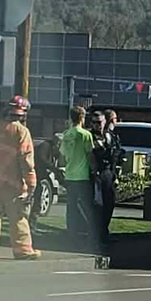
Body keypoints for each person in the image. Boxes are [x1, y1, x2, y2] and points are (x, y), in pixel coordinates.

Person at [0, 95, 40, 260]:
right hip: (12, 183)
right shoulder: (21, 132)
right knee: (18, 217)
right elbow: (26, 161)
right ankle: (23, 250)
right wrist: (31, 184)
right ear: (23, 114)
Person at [60, 105, 97, 251]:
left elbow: (63, 155)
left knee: (71, 208)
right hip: (82, 175)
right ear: (82, 118)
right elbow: (90, 155)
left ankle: (72, 236)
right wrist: (95, 170)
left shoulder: (66, 134)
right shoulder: (85, 135)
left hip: (70, 175)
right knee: (87, 207)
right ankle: (91, 236)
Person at [90, 109, 123, 247]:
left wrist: (116, 171)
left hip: (109, 173)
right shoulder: (90, 137)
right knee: (98, 206)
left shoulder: (110, 136)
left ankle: (104, 232)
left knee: (109, 203)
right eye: (94, 123)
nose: (97, 125)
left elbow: (116, 153)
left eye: (100, 122)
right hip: (96, 173)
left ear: (105, 122)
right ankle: (97, 235)